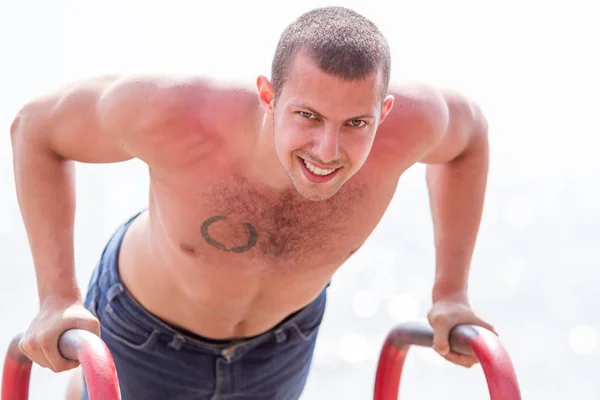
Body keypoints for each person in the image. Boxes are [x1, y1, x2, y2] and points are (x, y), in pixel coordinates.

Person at [11, 6, 495, 400]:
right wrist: (57, 297)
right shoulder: (177, 113)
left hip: (283, 344)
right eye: (307, 115)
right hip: (146, 335)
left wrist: (451, 293)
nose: (328, 150)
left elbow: (470, 138)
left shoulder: (416, 123)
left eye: (356, 124)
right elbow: (36, 128)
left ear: (383, 111)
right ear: (268, 94)